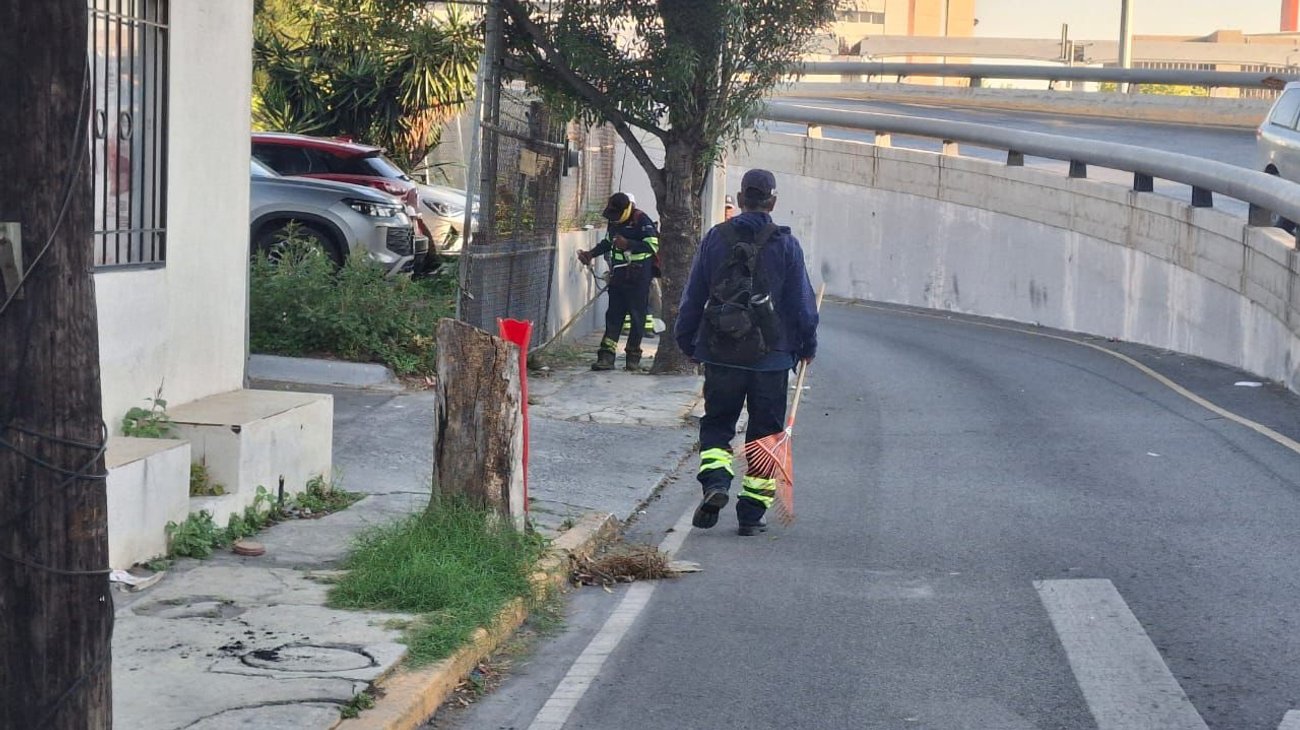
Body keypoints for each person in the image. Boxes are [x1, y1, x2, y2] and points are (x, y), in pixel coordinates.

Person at [674, 169, 819, 536]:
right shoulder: (786, 245)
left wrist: (687, 341)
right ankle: (752, 514)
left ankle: (716, 482)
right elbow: (801, 304)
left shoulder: (715, 238)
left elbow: (693, 295)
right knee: (765, 436)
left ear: (740, 200)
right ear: (773, 202)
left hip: (721, 352)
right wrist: (807, 345)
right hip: (772, 359)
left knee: (717, 423)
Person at [578, 192, 660, 371]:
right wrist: (590, 254)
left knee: (637, 317)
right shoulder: (614, 222)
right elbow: (608, 242)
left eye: (616, 215)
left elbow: (653, 245)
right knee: (613, 316)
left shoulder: (641, 221)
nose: (613, 219)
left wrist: (629, 244)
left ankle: (633, 358)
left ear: (626, 210)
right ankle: (606, 357)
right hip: (619, 276)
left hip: (638, 277)